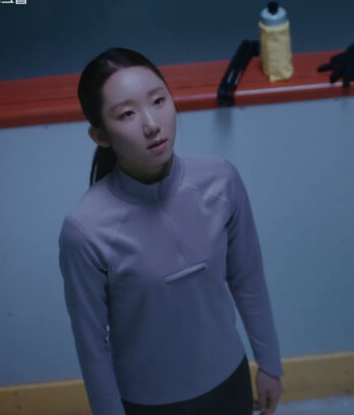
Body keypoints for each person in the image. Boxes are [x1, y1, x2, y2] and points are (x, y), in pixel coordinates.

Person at [58, 47, 284, 415]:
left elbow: (248, 279)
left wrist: (270, 363)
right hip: (147, 404)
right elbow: (91, 344)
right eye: (127, 114)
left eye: (158, 101)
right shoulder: (84, 231)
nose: (151, 124)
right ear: (100, 136)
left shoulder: (221, 180)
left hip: (230, 384)